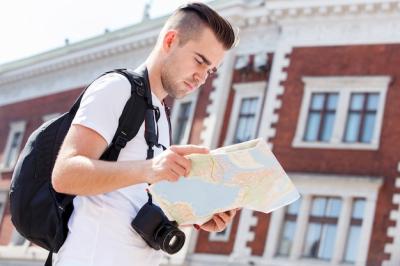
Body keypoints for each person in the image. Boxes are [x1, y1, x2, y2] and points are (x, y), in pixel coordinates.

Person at [51, 2, 239, 266]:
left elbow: (130, 203)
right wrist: (150, 169)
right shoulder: (117, 88)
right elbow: (65, 174)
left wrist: (198, 216)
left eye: (210, 70)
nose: (202, 77)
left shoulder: (161, 116)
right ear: (171, 40)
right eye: (199, 60)